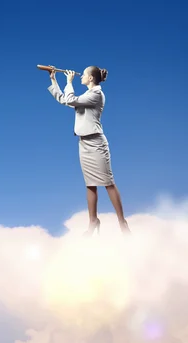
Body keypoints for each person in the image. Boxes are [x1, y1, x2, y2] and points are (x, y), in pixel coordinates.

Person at [47, 65, 130, 235]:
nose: (80, 76)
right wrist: (53, 79)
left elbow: (70, 99)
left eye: (84, 74)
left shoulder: (96, 94)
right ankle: (93, 221)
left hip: (96, 144)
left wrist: (68, 82)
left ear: (91, 78)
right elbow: (65, 100)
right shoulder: (86, 95)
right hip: (84, 144)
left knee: (108, 183)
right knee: (90, 184)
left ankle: (122, 222)